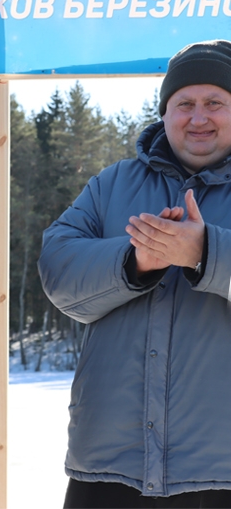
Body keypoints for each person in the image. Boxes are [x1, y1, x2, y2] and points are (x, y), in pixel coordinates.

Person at [40, 40, 231, 507]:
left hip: (220, 471)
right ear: (164, 113)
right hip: (108, 466)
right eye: (184, 103)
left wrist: (205, 252)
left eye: (215, 103)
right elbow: (58, 267)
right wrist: (137, 260)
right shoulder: (111, 184)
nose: (198, 117)